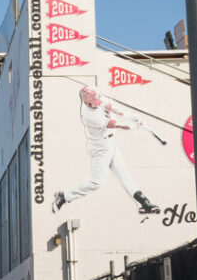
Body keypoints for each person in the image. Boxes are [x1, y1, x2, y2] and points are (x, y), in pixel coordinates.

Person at [52, 86, 159, 215]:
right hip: (100, 148)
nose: (99, 103)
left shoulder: (96, 97)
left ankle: (144, 203)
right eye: (95, 103)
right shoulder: (88, 115)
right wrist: (133, 125)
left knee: (124, 176)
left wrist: (131, 116)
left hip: (110, 143)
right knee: (97, 182)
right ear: (87, 102)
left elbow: (112, 107)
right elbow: (116, 124)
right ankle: (64, 195)